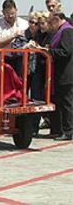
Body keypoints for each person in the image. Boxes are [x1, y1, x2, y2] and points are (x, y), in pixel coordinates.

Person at [30, 11, 73, 141]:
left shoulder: (67, 31)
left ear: (56, 20)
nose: (49, 26)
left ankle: (68, 131)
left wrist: (48, 51)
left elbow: (66, 51)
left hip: (66, 73)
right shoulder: (60, 31)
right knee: (59, 103)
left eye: (50, 23)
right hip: (58, 74)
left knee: (67, 103)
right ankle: (57, 129)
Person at [0, 0, 28, 76]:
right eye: (7, 13)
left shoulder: (24, 24)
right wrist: (13, 36)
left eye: (12, 13)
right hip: (3, 58)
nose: (10, 16)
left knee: (19, 83)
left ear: (16, 10)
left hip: (20, 60)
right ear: (3, 12)